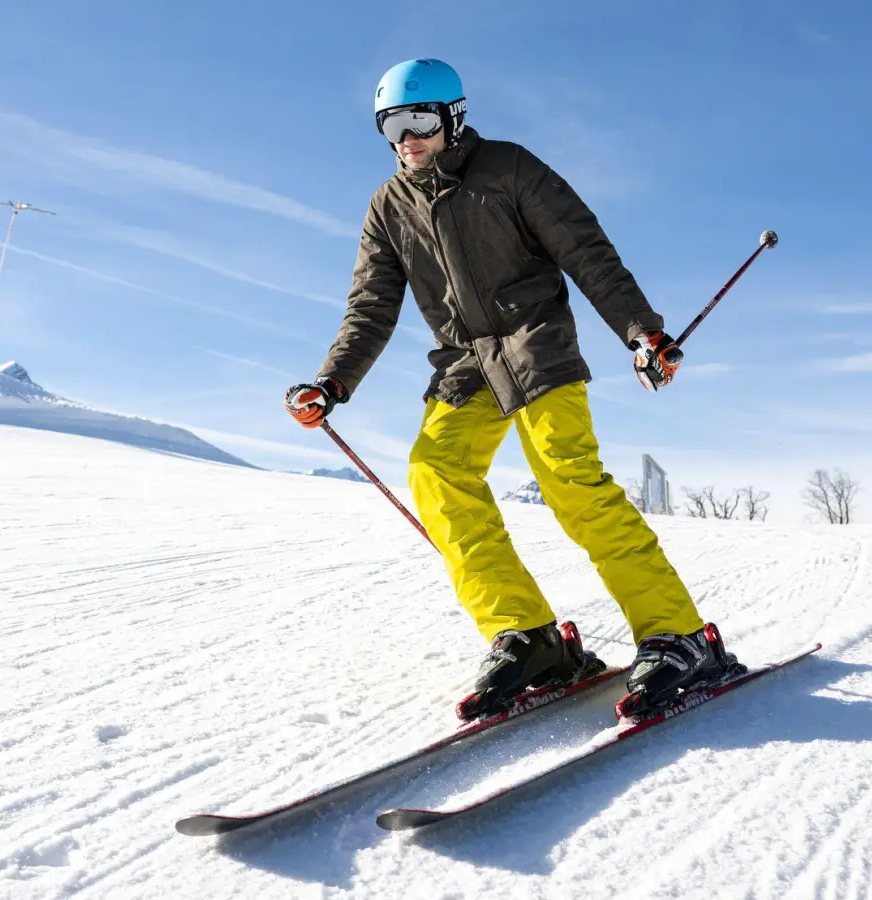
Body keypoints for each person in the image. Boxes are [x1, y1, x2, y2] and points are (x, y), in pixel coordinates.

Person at [283, 58, 738, 720]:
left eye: (418, 122)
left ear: (452, 117)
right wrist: (332, 382)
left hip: (536, 346)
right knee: (435, 473)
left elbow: (587, 252)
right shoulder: (388, 207)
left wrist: (641, 331)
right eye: (391, 126)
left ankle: (677, 634)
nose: (406, 140)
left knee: (570, 483)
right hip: (464, 366)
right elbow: (371, 307)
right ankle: (527, 637)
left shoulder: (509, 169)